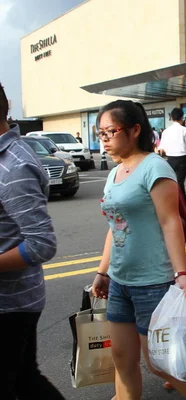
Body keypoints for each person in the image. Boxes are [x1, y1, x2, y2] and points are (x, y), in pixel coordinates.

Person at [90, 100, 186, 399]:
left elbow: (171, 222)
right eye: (99, 132)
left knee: (160, 365)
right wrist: (102, 272)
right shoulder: (114, 173)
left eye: (110, 131)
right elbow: (115, 227)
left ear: (134, 130)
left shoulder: (155, 167)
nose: (103, 138)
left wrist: (181, 271)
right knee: (122, 360)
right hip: (120, 282)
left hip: (153, 282)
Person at [0, 82, 64, 400]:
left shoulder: (14, 165)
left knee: (19, 381)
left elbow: (41, 243)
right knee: (24, 378)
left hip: (10, 304)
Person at [158, 108, 186, 214]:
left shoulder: (166, 131)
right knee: (180, 184)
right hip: (182, 159)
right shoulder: (184, 130)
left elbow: (162, 149)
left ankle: (180, 206)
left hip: (170, 160)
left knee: (173, 184)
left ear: (171, 118)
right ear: (182, 118)